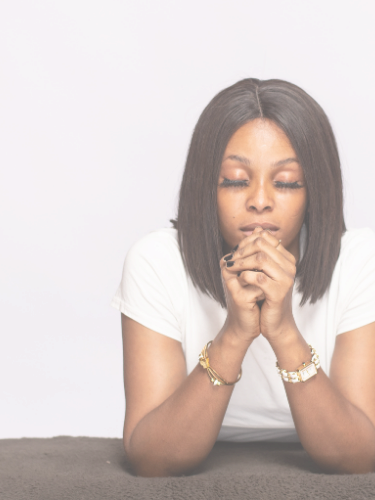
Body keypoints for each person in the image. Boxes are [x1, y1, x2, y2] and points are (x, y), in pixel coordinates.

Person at [110, 78, 375, 477]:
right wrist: (234, 334)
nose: (260, 200)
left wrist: (284, 331)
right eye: (235, 180)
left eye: (286, 182)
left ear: (315, 190)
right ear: (205, 187)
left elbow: (358, 455)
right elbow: (152, 457)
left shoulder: (360, 261)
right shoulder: (156, 261)